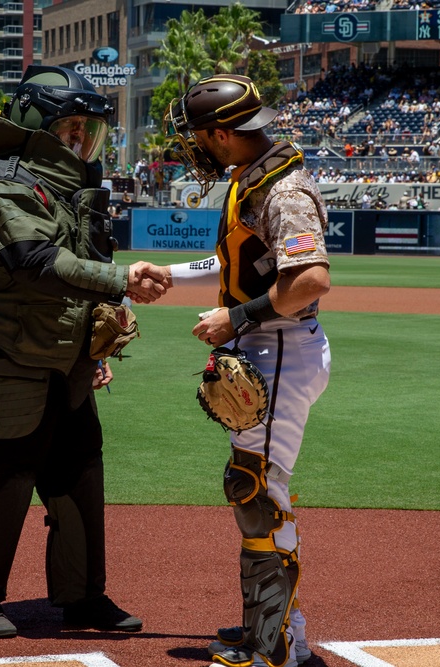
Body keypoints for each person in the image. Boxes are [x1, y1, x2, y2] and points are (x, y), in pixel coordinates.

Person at [0, 65, 166, 640]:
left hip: (67, 359)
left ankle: (82, 596)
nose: (80, 140)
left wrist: (98, 345)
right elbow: (34, 260)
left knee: (80, 474)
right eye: (70, 127)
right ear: (34, 123)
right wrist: (121, 279)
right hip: (13, 356)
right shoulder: (3, 182)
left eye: (87, 130)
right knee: (6, 474)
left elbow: (82, 273)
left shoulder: (74, 190)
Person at [158, 74, 332, 667]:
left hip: (280, 347)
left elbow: (309, 280)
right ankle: (272, 627)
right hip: (268, 347)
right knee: (253, 486)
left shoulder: (283, 191)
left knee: (256, 489)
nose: (195, 147)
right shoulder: (252, 179)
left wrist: (236, 318)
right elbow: (242, 261)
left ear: (222, 133)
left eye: (199, 137)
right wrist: (172, 276)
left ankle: (280, 646)